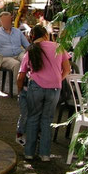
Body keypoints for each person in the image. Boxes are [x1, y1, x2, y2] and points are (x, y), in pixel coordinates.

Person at [17, 25, 71, 162]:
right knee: (47, 120)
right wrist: (58, 79)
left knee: (33, 118)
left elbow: (21, 75)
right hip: (54, 88)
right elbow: (67, 69)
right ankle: (45, 154)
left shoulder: (31, 50)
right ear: (46, 35)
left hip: (35, 87)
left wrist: (19, 91)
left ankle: (29, 152)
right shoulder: (58, 47)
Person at [0, 11, 30, 95]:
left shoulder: (17, 32)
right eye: (4, 21)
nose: (7, 22)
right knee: (16, 64)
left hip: (18, 54)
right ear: (1, 22)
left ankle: (30, 85)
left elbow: (27, 46)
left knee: (27, 60)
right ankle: (20, 90)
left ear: (11, 20)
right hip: (4, 57)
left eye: (8, 20)